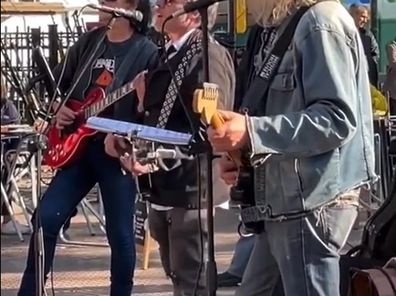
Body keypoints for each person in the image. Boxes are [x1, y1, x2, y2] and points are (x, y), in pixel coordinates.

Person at [208, 0, 376, 296]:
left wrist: (251, 131)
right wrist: (242, 153)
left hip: (311, 202)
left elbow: (336, 120)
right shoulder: (279, 25)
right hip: (285, 201)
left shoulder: (319, 22)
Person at [17, 0, 158, 295]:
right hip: (77, 145)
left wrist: (140, 104)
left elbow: (151, 111)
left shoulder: (146, 51)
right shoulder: (89, 42)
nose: (102, 4)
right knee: (45, 218)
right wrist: (58, 108)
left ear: (130, 7)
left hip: (115, 151)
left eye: (111, 0)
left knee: (120, 234)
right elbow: (56, 85)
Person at [105, 0, 235, 294]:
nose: (159, 4)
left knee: (192, 281)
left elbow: (215, 129)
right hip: (163, 185)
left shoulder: (208, 56)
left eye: (170, 1)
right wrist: (126, 136)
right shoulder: (163, 55)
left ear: (193, 16)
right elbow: (156, 116)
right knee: (177, 276)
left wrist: (157, 157)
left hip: (192, 187)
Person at [1, 74, 31, 235]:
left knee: (8, 169)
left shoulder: (7, 106)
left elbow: (16, 128)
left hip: (6, 152)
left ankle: (7, 219)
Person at [349, 4, 380, 87]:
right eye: (363, 16)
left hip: (369, 81)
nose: (365, 20)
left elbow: (375, 54)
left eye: (366, 18)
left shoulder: (368, 35)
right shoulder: (344, 34)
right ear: (352, 15)